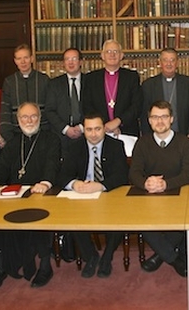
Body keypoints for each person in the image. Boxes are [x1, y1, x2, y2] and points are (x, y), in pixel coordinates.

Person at [0, 102, 61, 289]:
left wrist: (45, 183)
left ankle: (45, 267)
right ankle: (1, 268)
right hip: (15, 196)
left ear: (39, 118)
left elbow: (52, 165)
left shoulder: (51, 139)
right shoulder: (14, 143)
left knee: (41, 220)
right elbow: (2, 168)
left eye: (33, 116)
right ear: (18, 120)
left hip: (41, 195)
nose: (29, 120)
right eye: (25, 117)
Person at [57, 113, 129, 278]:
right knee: (72, 218)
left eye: (97, 129)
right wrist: (75, 184)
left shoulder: (115, 146)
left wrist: (101, 185)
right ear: (84, 131)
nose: (94, 133)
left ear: (104, 128)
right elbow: (61, 176)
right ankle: (90, 257)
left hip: (108, 195)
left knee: (119, 216)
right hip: (82, 197)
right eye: (89, 129)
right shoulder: (75, 147)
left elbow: (122, 175)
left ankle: (107, 257)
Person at [129, 100, 189, 277]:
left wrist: (166, 184)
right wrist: (145, 183)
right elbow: (134, 172)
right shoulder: (142, 143)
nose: (160, 121)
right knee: (141, 220)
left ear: (172, 119)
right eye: (155, 117)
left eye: (164, 117)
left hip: (179, 196)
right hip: (149, 197)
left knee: (182, 220)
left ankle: (160, 256)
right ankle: (174, 259)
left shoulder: (185, 143)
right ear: (149, 120)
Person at [83, 39, 141, 137]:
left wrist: (118, 121)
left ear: (121, 55)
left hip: (127, 130)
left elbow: (136, 105)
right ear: (102, 55)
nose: (112, 55)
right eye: (108, 52)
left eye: (115, 52)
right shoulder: (91, 78)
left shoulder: (131, 77)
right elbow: (87, 105)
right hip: (98, 132)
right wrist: (104, 126)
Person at [0, 44, 50, 144]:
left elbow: (50, 108)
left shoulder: (44, 80)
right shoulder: (9, 82)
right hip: (16, 135)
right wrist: (8, 136)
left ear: (31, 58)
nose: (23, 62)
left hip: (42, 134)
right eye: (19, 58)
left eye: (26, 58)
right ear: (15, 61)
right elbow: (5, 111)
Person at [141, 48, 189, 138]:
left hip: (182, 136)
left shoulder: (188, 83)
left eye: (172, 60)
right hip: (157, 137)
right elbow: (144, 115)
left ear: (177, 63)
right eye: (165, 60)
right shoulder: (148, 85)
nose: (169, 64)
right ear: (160, 62)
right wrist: (148, 138)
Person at [45, 47, 85, 161]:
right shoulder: (54, 84)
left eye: (74, 58)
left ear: (81, 62)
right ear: (63, 63)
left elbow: (93, 107)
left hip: (85, 134)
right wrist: (66, 129)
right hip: (61, 136)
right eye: (67, 59)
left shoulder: (90, 82)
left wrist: (81, 127)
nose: (70, 62)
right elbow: (50, 110)